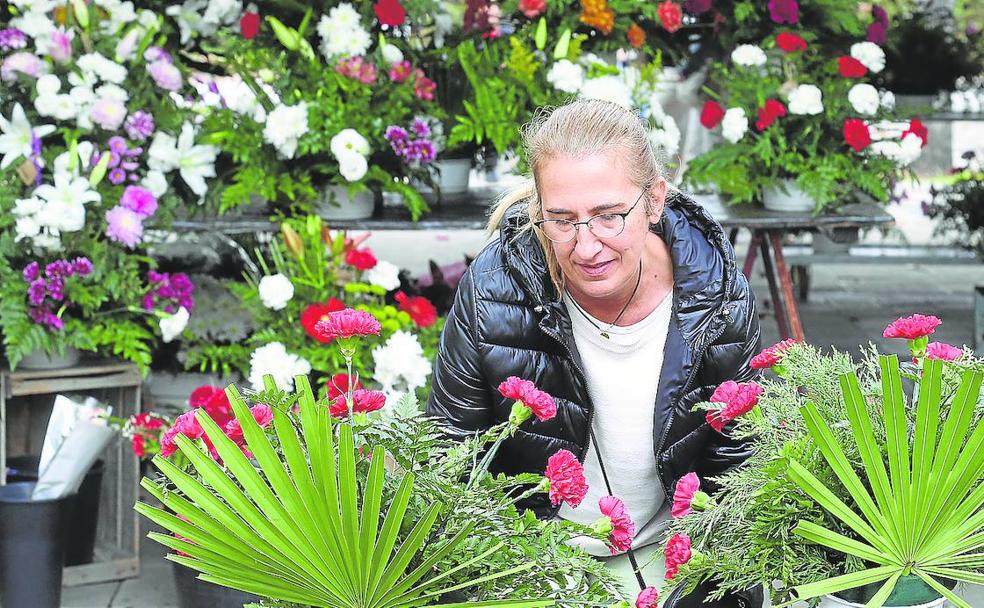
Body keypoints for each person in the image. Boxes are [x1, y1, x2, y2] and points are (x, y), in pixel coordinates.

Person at [425, 98, 763, 608]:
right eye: (561, 220)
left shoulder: (717, 295)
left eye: (608, 217)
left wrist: (700, 583)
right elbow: (450, 457)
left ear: (654, 202)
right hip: (526, 563)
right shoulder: (494, 288)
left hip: (670, 558)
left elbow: (739, 468)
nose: (586, 247)